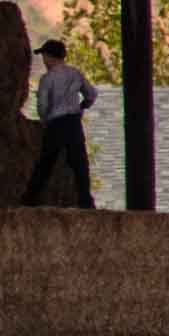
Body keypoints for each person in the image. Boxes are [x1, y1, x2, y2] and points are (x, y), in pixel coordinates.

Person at [21, 39, 98, 209]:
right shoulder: (75, 73)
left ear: (49, 57)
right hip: (73, 122)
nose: (43, 60)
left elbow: (42, 105)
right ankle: (86, 200)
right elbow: (91, 94)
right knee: (79, 162)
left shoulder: (47, 79)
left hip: (56, 123)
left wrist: (45, 119)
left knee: (46, 161)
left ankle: (30, 198)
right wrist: (82, 106)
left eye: (44, 56)